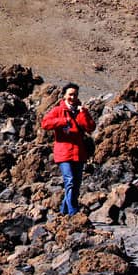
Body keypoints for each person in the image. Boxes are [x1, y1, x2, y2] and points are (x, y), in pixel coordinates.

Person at [41, 83, 95, 216]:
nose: (73, 97)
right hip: (64, 153)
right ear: (64, 95)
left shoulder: (80, 110)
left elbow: (90, 127)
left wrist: (83, 114)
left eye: (75, 94)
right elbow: (45, 124)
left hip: (78, 153)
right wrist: (63, 121)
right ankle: (73, 213)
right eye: (70, 94)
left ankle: (63, 212)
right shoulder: (58, 110)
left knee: (75, 184)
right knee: (69, 181)